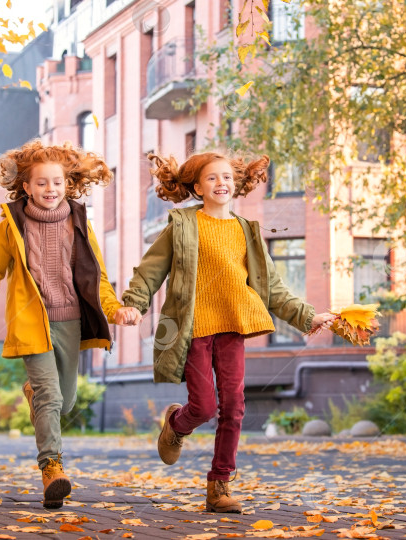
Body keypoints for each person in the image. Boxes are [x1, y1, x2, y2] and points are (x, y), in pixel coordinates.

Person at [118, 151, 336, 513]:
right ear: (197, 187)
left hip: (232, 329)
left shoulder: (246, 231)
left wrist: (307, 317)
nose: (222, 183)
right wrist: (133, 304)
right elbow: (150, 270)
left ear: (236, 185)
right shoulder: (183, 225)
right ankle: (176, 423)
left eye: (227, 178)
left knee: (233, 408)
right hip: (192, 330)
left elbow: (273, 289)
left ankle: (219, 485)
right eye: (212, 178)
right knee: (204, 406)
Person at [0, 139, 140, 509]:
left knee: (66, 400)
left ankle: (36, 395)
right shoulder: (11, 227)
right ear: (26, 187)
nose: (50, 190)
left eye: (57, 183)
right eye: (41, 183)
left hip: (70, 322)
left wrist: (115, 310)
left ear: (67, 184)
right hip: (32, 325)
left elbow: (98, 278)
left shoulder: (79, 224)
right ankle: (52, 468)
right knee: (52, 396)